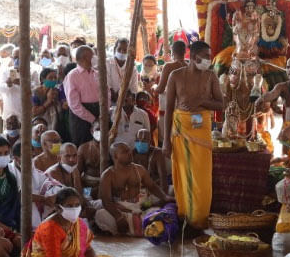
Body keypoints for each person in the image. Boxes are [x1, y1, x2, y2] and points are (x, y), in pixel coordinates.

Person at [160, 41, 225, 229]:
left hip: (202, 128)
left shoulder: (211, 76)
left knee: (202, 177)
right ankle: (184, 215)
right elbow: (169, 108)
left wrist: (202, 101)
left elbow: (221, 104)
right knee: (182, 173)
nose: (209, 60)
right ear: (194, 56)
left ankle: (199, 218)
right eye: (206, 56)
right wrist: (166, 141)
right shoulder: (175, 76)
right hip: (180, 130)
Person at [26, 187, 110, 257]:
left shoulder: (78, 223)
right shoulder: (50, 227)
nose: (74, 209)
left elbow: (88, 248)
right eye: (69, 206)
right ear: (58, 208)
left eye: (77, 205)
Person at [95, 141, 168, 235]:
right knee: (100, 215)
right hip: (121, 209)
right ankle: (139, 225)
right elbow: (106, 200)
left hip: (141, 206)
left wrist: (165, 197)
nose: (130, 153)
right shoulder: (107, 175)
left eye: (129, 150)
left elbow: (152, 186)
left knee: (157, 208)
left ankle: (134, 223)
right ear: (115, 156)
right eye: (125, 152)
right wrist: (118, 217)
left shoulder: (139, 169)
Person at [63, 45, 102, 146]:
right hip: (81, 118)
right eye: (92, 56)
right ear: (84, 58)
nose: (94, 58)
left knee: (100, 146)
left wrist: (103, 112)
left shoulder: (97, 73)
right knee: (83, 145)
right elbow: (74, 105)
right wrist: (93, 119)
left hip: (99, 112)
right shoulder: (72, 76)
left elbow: (107, 92)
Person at [105, 38, 142, 102]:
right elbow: (107, 84)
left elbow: (134, 89)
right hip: (110, 100)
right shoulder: (107, 63)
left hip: (126, 101)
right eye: (119, 49)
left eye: (125, 50)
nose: (122, 52)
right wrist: (115, 97)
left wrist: (126, 98)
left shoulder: (132, 68)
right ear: (114, 50)